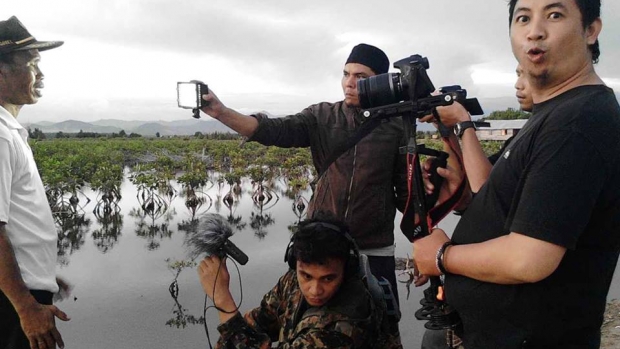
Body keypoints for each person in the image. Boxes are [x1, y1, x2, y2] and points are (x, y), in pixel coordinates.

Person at [413, 0, 620, 347]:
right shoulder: (554, 115)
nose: (534, 30)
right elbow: (515, 205)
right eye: (523, 17)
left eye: (554, 15)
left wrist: (441, 256)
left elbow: (529, 259)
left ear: (591, 30)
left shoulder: (578, 121)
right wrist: (465, 197)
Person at [199, 44, 416, 313]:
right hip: (320, 245)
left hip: (374, 248)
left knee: (380, 327)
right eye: (346, 74)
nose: (349, 83)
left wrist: (422, 244)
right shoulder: (322, 117)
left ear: (381, 81)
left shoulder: (398, 126)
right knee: (307, 325)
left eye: (360, 77)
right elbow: (274, 130)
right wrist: (220, 112)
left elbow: (408, 195)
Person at [419, 66, 534, 349]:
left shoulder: (552, 135)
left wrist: (462, 122)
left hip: (516, 317)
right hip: (481, 311)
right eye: (517, 74)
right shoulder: (522, 137)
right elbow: (479, 189)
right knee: (434, 339)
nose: (518, 85)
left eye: (526, 76)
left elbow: (489, 197)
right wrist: (446, 130)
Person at [197, 216, 402, 348]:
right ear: (295, 264)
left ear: (347, 270)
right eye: (306, 276)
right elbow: (260, 321)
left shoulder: (342, 326)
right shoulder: (293, 281)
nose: (315, 290)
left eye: (328, 278)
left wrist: (223, 300)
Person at [0, 16, 70, 349]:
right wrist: (25, 305)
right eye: (32, 64)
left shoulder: (9, 132)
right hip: (12, 304)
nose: (40, 75)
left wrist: (40, 274)